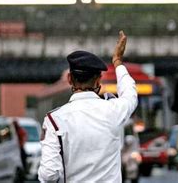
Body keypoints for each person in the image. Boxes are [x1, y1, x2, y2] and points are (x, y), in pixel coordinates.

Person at [38, 31, 138, 182]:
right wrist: (117, 61)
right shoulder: (113, 110)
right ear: (98, 81)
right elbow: (130, 94)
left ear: (69, 79)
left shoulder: (54, 120)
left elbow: (49, 174)